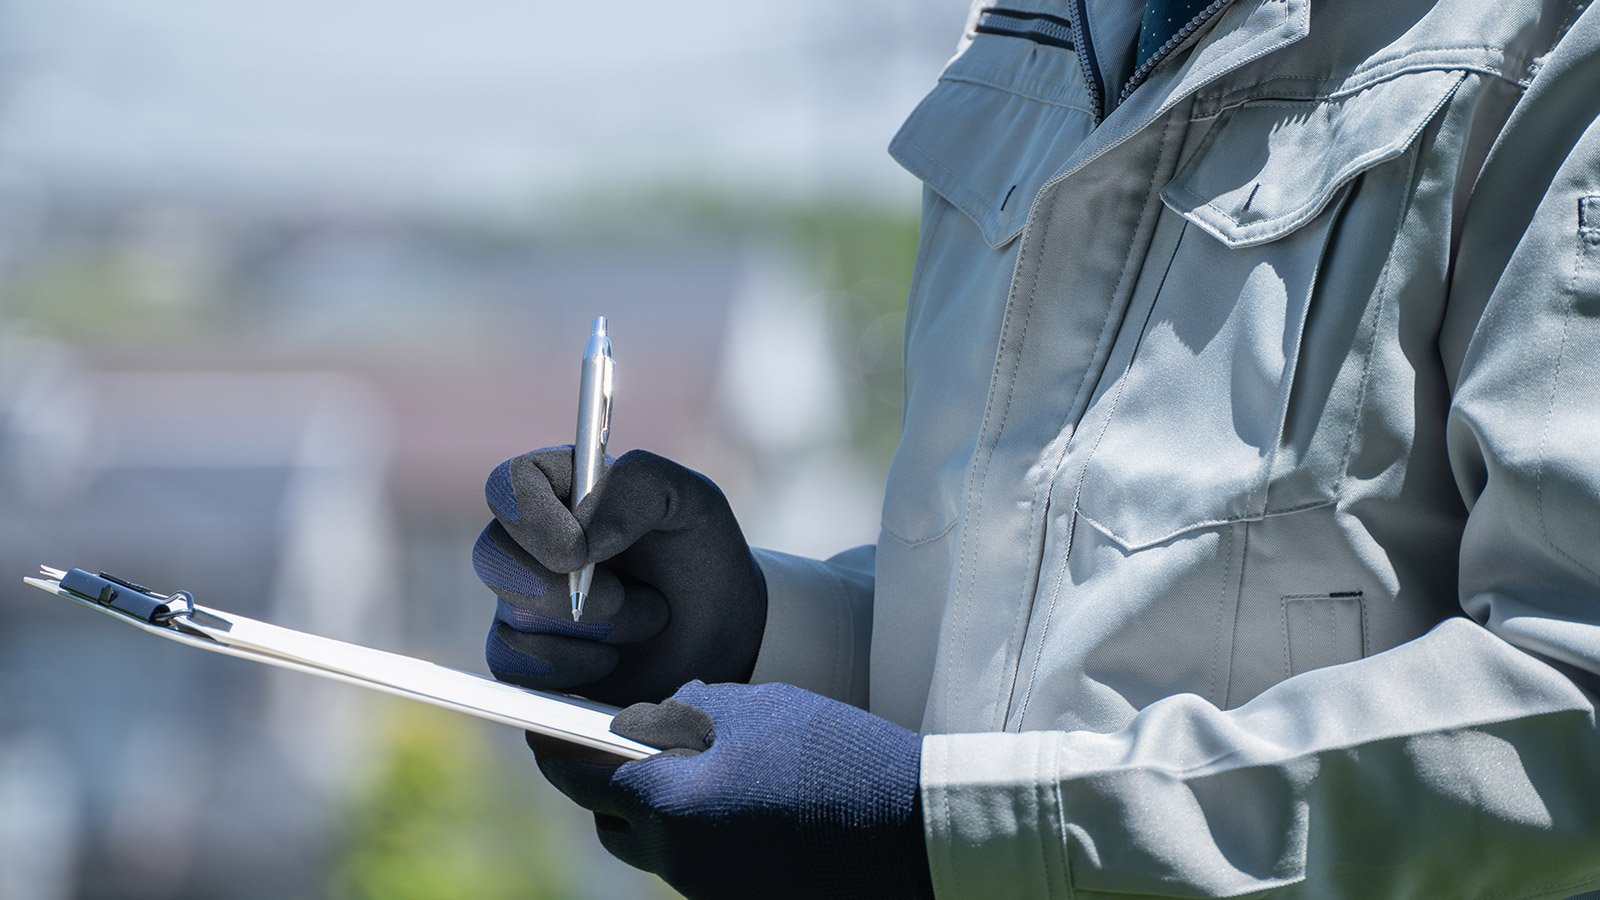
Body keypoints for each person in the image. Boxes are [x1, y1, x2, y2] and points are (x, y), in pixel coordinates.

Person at [472, 0, 1600, 896]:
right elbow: (1042, 625)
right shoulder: (1053, 25)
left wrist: (937, 836)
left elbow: (1574, 714)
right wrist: (755, 633)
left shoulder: (1552, 36)